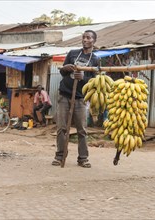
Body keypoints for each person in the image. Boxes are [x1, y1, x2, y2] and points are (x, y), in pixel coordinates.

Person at [52, 30, 99, 168]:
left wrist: (83, 78)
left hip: (80, 98)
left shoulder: (95, 59)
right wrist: (66, 68)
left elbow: (94, 81)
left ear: (93, 41)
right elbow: (62, 72)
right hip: (65, 94)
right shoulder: (72, 53)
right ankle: (60, 156)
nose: (85, 39)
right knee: (61, 128)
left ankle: (83, 158)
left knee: (82, 130)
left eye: (88, 37)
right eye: (84, 37)